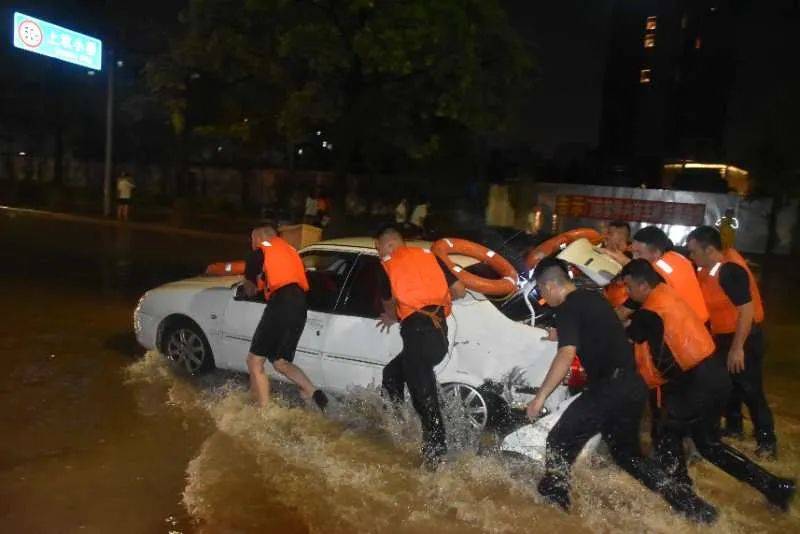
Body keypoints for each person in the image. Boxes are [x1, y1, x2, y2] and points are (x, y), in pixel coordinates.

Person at [525, 257, 717, 523]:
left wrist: (540, 398)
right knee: (628, 456)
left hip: (608, 389)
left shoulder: (568, 308)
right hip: (632, 387)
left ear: (549, 286)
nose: (543, 298)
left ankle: (554, 515)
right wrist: (562, 333)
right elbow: (599, 332)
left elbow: (566, 355)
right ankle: (695, 507)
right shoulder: (592, 299)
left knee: (558, 441)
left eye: (541, 292)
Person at [621, 259, 795, 510]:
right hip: (713, 375)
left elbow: (629, 334)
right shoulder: (666, 293)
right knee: (708, 445)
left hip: (695, 383)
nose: (627, 293)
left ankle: (683, 499)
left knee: (667, 434)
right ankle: (774, 486)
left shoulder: (650, 312)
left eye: (629, 287)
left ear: (644, 285)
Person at [374, 224, 466, 470]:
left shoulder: (387, 265)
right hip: (439, 336)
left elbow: (389, 305)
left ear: (388, 245)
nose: (377, 252)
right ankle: (400, 427)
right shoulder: (431, 257)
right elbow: (460, 291)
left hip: (417, 334)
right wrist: (434, 297)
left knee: (425, 399)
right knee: (392, 374)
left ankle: (436, 458)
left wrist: (394, 315)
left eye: (378, 247)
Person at [687, 226, 778, 458]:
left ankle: (767, 440)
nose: (692, 256)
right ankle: (734, 428)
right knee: (727, 385)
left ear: (709, 249)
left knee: (750, 389)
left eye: (694, 251)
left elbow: (746, 311)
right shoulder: (708, 269)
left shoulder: (729, 271)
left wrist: (738, 348)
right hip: (726, 337)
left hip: (745, 337)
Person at [243, 224, 328, 410]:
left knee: (254, 361)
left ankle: (263, 411)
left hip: (281, 303)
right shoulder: (291, 252)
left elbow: (249, 289)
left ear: (260, 237)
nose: (252, 244)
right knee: (281, 362)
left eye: (252, 239)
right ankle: (313, 392)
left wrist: (249, 284)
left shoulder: (261, 251)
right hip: (299, 305)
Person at [604, 226, 709, 323]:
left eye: (639, 253)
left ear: (656, 253)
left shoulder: (660, 268)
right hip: (695, 323)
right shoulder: (676, 257)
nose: (635, 258)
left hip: (688, 330)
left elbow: (627, 308)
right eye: (633, 253)